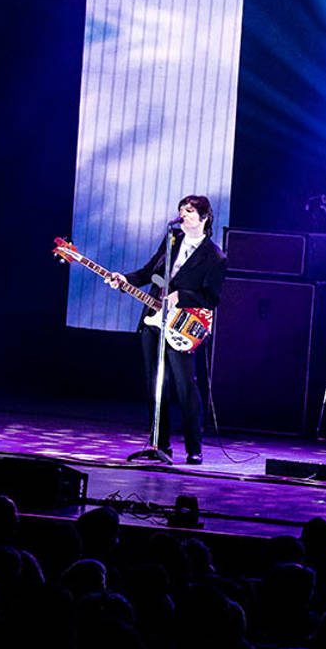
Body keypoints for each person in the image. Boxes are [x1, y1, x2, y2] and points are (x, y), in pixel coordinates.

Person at [116, 195, 225, 463]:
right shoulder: (172, 240)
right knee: (155, 384)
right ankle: (159, 444)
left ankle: (194, 448)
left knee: (185, 385)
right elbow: (146, 272)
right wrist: (123, 279)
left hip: (183, 325)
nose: (183, 216)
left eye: (188, 211)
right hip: (154, 320)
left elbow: (211, 299)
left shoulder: (215, 256)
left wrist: (182, 296)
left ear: (204, 217)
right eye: (181, 211)